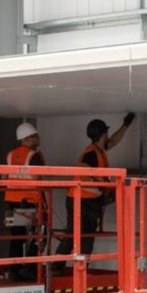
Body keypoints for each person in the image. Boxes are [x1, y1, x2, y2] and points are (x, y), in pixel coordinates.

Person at [55, 112, 135, 268]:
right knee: (77, 236)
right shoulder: (91, 155)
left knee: (82, 236)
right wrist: (102, 187)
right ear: (103, 134)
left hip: (85, 201)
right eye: (106, 132)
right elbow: (83, 175)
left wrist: (125, 125)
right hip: (82, 201)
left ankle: (71, 268)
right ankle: (59, 267)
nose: (108, 135)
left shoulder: (97, 150)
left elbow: (112, 142)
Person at [5, 122, 47, 281]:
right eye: (36, 136)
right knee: (42, 233)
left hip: (11, 201)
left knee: (16, 236)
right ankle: (30, 267)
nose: (38, 138)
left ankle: (14, 270)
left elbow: (3, 178)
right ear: (28, 138)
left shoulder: (10, 155)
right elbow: (37, 179)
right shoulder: (34, 156)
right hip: (30, 201)